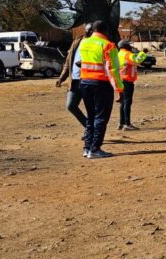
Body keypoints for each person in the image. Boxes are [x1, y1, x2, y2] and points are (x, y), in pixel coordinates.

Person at [77, 20, 123, 159]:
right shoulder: (108, 45)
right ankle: (95, 148)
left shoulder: (84, 43)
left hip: (84, 82)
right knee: (101, 118)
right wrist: (119, 89)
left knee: (90, 116)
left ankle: (87, 147)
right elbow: (113, 70)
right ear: (106, 31)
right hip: (101, 84)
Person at [56, 22, 94, 129]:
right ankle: (89, 127)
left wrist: (85, 63)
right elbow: (68, 61)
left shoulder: (95, 43)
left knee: (91, 108)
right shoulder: (77, 41)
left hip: (88, 80)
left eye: (91, 30)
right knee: (71, 106)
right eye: (87, 30)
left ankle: (92, 133)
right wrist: (62, 77)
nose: (89, 32)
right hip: (75, 80)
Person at [116, 39, 147, 131]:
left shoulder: (119, 54)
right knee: (127, 102)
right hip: (127, 81)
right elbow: (138, 60)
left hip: (120, 80)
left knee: (123, 102)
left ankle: (121, 123)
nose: (131, 47)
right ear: (125, 46)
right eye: (129, 45)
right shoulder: (128, 54)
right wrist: (143, 53)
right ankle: (127, 124)